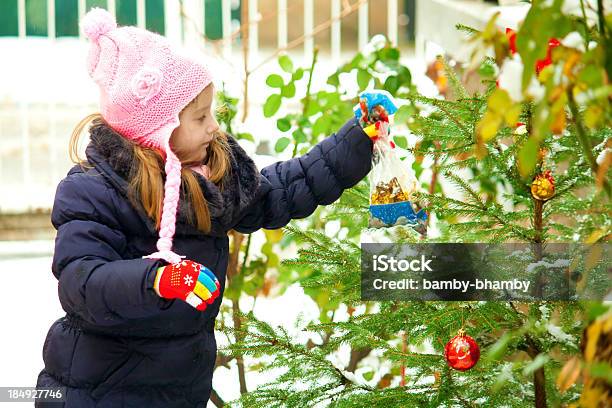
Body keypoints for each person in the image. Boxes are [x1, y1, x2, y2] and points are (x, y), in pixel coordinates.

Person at [35, 7, 393, 407]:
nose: (213, 127)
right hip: (96, 392)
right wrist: (158, 279)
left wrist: (354, 140)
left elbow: (281, 190)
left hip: (177, 391)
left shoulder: (208, 182)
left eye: (212, 114)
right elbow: (82, 282)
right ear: (159, 129)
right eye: (200, 117)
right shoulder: (92, 192)